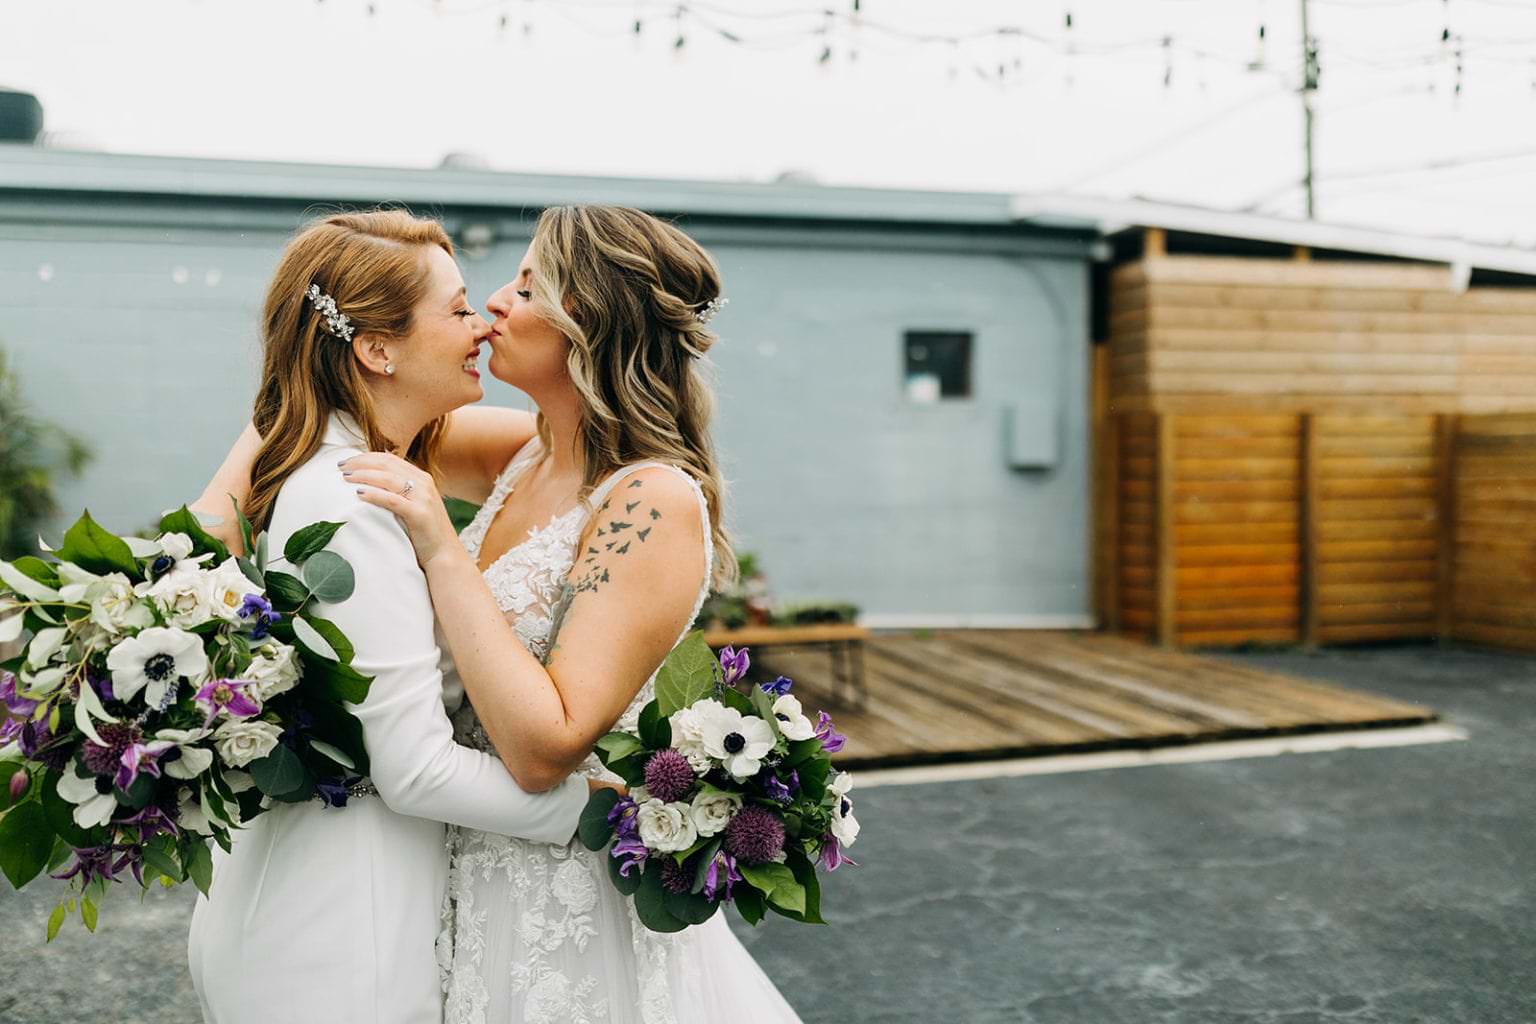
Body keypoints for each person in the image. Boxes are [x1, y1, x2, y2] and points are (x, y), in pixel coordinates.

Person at [339, 204, 802, 1023]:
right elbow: (327, 413)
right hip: (458, 869)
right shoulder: (522, 452)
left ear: (591, 322)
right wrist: (334, 305)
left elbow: (545, 747)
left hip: (565, 911)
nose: (496, 305)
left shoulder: (650, 501)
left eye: (527, 286)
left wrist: (444, 549)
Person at [184, 210, 597, 1024]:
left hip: (331, 895)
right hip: (341, 928)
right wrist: (609, 814)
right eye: (455, 311)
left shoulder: (353, 467)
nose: (481, 323)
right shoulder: (353, 501)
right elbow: (416, 770)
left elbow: (570, 448)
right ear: (375, 348)